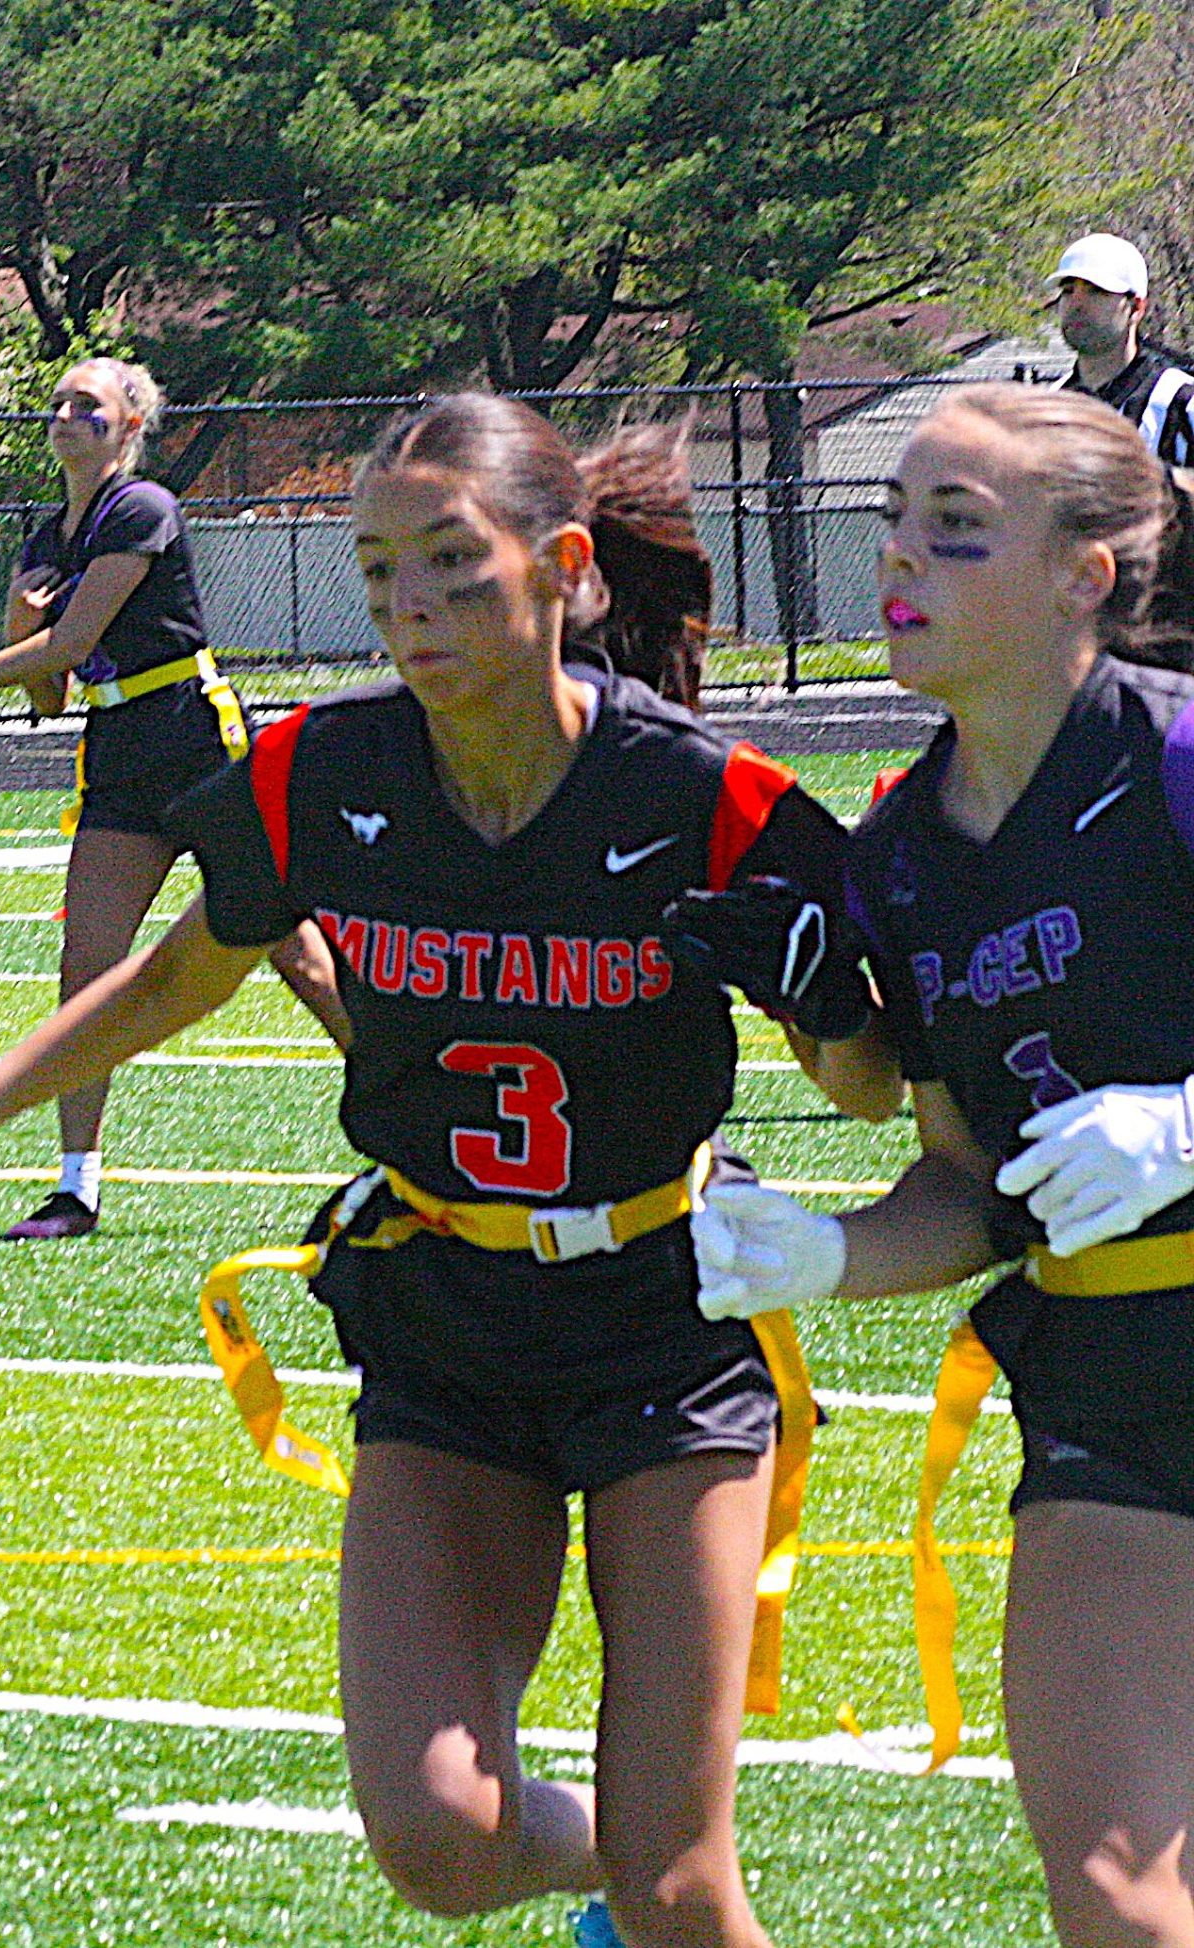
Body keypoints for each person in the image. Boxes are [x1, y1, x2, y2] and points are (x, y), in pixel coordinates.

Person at [0, 395, 899, 1947]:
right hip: (442, 1309)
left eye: (449, 564)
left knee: (684, 1884)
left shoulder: (702, 796)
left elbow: (876, 1092)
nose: (409, 611)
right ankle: (612, 1873)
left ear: (565, 568)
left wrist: (827, 1003)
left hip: (660, 1312)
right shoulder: (321, 769)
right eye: (378, 575)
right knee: (437, 1841)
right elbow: (176, 977)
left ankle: (642, 1873)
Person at [691, 383, 1194, 1948]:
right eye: (895, 520)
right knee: (1116, 1892)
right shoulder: (898, 854)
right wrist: (828, 1255)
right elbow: (967, 1183)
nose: (900, 558)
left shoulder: (1178, 762)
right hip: (1107, 1371)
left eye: (955, 531)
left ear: (1084, 575)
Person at [0, 356, 350, 1239]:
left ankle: (419, 1140)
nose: (65, 416)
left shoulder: (142, 509)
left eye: (88, 408)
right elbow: (52, 691)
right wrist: (21, 628)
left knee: (297, 955)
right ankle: (77, 1186)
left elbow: (79, 639)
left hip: (194, 739)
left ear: (131, 426)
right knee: (86, 977)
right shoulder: (44, 536)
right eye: (57, 404)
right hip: (117, 751)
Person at [1053, 233, 1194, 468]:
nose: (1076, 304)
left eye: (1096, 291)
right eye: (1068, 290)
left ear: (1136, 308)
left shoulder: (1182, 404)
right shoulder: (1050, 403)